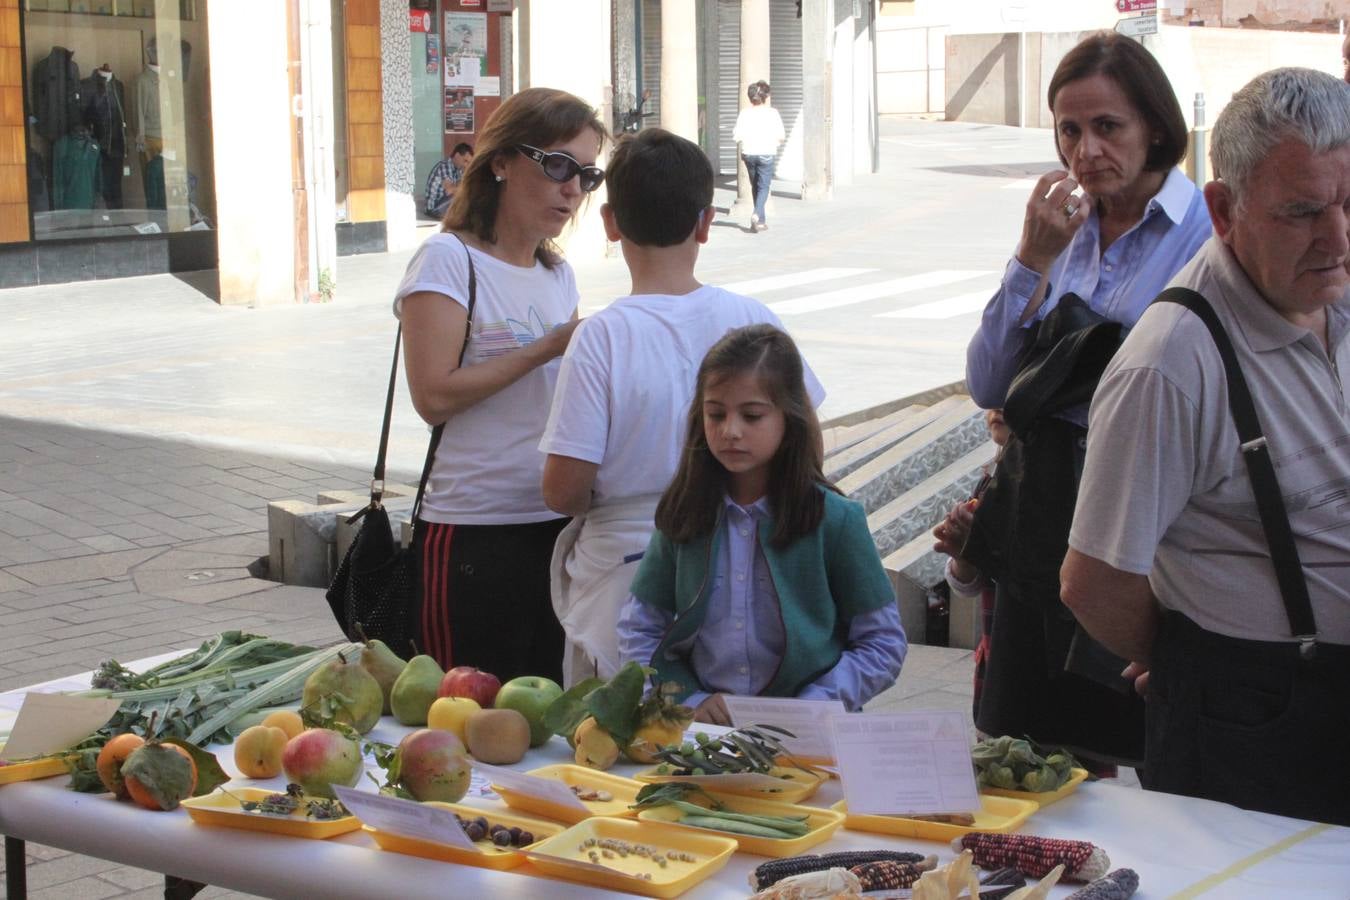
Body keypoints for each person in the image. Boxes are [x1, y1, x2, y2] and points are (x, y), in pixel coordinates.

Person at [1062, 67, 1350, 825]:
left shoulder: (1335, 291)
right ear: (1223, 210)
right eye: (1301, 212)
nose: (1338, 237)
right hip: (1255, 726)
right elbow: (1093, 582)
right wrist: (1194, 665)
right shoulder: (1170, 363)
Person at [964, 32, 1212, 771]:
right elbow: (986, 377)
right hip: (1040, 510)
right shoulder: (1066, 232)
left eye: (1108, 126)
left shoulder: (1201, 232)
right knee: (1033, 744)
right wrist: (1031, 259)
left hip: (1141, 506)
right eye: (1070, 130)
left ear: (1155, 127)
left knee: (1121, 729)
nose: (1086, 150)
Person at [539, 129, 825, 685]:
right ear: (706, 222)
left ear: (611, 222)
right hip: (746, 562)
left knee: (624, 743)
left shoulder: (601, 337)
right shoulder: (753, 320)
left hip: (624, 569)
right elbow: (808, 445)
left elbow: (563, 489)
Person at [394, 88, 606, 683]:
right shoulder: (447, 259)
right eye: (559, 165)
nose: (572, 189)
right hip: (472, 532)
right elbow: (432, 396)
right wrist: (548, 346)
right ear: (501, 162)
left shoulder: (556, 273)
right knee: (465, 722)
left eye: (587, 176)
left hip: (555, 528)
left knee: (545, 719)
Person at [618, 325, 906, 725]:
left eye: (752, 415)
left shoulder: (836, 521)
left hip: (813, 737)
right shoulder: (684, 513)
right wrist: (688, 699)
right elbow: (639, 630)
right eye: (715, 414)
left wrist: (817, 702)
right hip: (703, 735)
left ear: (790, 418)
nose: (730, 431)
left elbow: (883, 643)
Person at [931, 408, 1010, 722]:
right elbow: (968, 583)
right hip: (997, 658)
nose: (996, 409)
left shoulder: (1061, 478)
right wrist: (963, 553)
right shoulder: (990, 479)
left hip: (1045, 666)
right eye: (991, 400)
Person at [731, 80, 784, 233]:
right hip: (766, 153)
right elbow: (781, 135)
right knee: (764, 187)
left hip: (749, 154)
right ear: (765, 97)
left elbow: (736, 135)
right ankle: (757, 213)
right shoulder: (772, 113)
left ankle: (760, 221)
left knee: (755, 186)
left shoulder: (744, 113)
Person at [425, 142, 474, 219]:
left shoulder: (459, 169)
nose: (466, 165)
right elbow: (450, 191)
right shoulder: (444, 167)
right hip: (434, 208)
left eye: (469, 163)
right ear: (457, 156)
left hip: (444, 204)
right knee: (461, 194)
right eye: (465, 161)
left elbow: (460, 186)